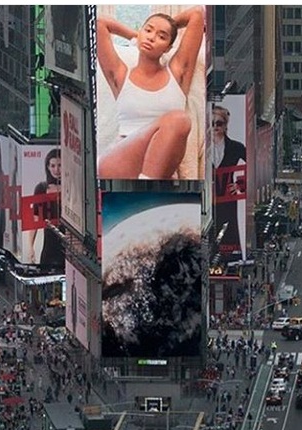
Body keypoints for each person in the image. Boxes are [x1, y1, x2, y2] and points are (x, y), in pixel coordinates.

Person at [97, 6, 205, 179]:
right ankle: (148, 188)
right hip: (122, 157)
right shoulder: (120, 75)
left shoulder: (178, 74)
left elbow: (197, 14)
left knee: (180, 120)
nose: (152, 38)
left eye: (161, 37)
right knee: (178, 119)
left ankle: (148, 185)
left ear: (168, 48)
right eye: (148, 30)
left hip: (162, 162)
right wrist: (134, 35)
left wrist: (170, 25)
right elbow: (100, 23)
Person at [212, 105, 247, 260]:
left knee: (228, 238)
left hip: (228, 203)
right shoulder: (199, 147)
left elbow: (253, 169)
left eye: (218, 123)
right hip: (206, 205)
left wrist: (240, 185)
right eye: (211, 123)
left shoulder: (237, 147)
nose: (215, 127)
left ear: (226, 125)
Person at [28, 149, 65, 266]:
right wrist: (30, 247)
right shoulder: (41, 188)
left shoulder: (71, 186)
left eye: (59, 165)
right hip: (49, 242)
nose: (56, 170)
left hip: (69, 243)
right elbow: (35, 218)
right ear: (48, 167)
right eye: (53, 165)